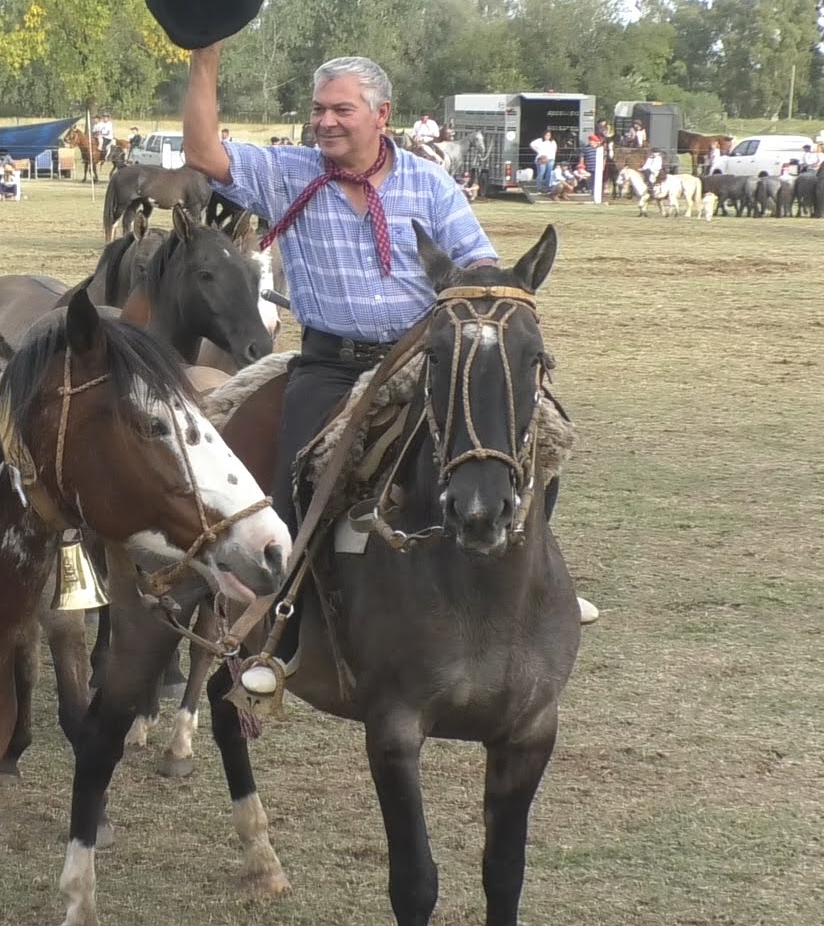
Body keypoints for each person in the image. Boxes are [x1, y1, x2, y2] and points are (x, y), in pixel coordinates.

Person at [183, 49, 599, 624]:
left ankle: (531, 586)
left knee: (538, 443)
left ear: (381, 114)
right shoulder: (287, 173)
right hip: (329, 365)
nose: (325, 121)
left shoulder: (429, 185)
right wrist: (205, 59)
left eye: (341, 109)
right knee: (296, 479)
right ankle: (286, 616)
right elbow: (204, 153)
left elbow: (478, 264)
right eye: (318, 110)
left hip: (421, 357)